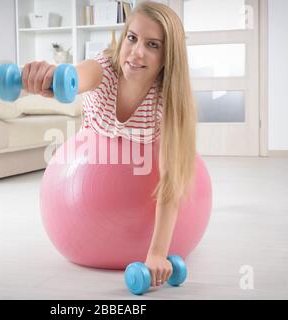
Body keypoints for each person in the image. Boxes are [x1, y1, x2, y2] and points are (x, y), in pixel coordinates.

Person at [22, 1, 197, 289]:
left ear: (168, 55)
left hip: (142, 175)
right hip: (89, 167)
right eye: (132, 38)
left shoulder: (165, 103)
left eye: (152, 45)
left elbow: (170, 181)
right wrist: (48, 77)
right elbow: (74, 78)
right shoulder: (104, 69)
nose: (136, 52)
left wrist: (157, 252)